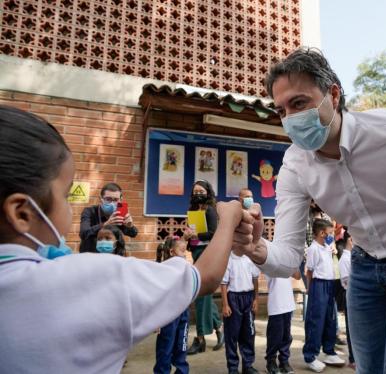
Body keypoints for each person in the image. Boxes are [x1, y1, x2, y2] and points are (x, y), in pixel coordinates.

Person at [231, 48, 386, 373]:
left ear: (333, 95)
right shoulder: (295, 166)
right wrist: (256, 247)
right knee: (367, 367)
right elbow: (286, 257)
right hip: (365, 268)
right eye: (281, 110)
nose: (290, 119)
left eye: (298, 103)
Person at [0, 105, 254, 372]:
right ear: (22, 213)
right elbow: (204, 277)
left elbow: (133, 234)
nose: (69, 207)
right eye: (64, 195)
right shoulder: (98, 279)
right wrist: (229, 220)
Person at [186, 180, 225, 354]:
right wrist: (188, 235)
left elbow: (214, 233)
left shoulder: (210, 209)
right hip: (195, 251)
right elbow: (192, 232)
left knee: (200, 294)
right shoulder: (194, 210)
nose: (198, 194)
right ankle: (219, 329)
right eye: (195, 191)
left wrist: (197, 234)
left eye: (201, 191)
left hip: (206, 252)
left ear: (207, 192)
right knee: (204, 296)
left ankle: (200, 338)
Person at [303, 219, 345, 372]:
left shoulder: (327, 247)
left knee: (331, 319)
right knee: (316, 320)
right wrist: (310, 288)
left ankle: (329, 351)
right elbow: (309, 271)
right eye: (330, 233)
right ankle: (310, 356)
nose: (331, 236)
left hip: (329, 284)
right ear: (321, 233)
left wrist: (332, 249)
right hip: (318, 285)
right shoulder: (313, 249)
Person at [154, 237, 191, 374]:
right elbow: (157, 296)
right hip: (167, 315)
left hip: (183, 312)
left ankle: (182, 370)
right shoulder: (162, 270)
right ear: (172, 252)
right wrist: (156, 320)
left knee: (181, 345)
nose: (185, 255)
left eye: (186, 252)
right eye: (182, 251)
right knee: (165, 348)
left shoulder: (185, 269)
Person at [221, 252, 261, 374]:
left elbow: (255, 279)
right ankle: (233, 367)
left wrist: (256, 299)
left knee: (249, 333)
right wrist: (225, 304)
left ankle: (247, 365)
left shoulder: (250, 257)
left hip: (248, 298)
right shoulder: (228, 259)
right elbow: (223, 284)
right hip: (233, 298)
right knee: (232, 335)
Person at [79, 182, 138, 253]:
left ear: (120, 200)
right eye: (108, 199)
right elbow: (83, 233)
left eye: (116, 200)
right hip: (90, 254)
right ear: (101, 199)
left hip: (112, 256)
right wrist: (105, 224)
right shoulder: (89, 211)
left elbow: (133, 234)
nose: (112, 203)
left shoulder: (119, 213)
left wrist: (130, 226)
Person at [264, 269, 301, 374]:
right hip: (276, 304)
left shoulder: (287, 261)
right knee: (274, 336)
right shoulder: (270, 261)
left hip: (288, 303)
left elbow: (298, 276)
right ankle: (270, 362)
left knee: (286, 336)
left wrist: (292, 263)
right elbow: (274, 271)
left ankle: (284, 361)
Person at [337, 231, 355, 370]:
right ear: (350, 240)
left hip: (356, 293)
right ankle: (352, 358)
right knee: (352, 328)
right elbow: (346, 281)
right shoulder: (345, 258)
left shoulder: (354, 257)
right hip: (351, 294)